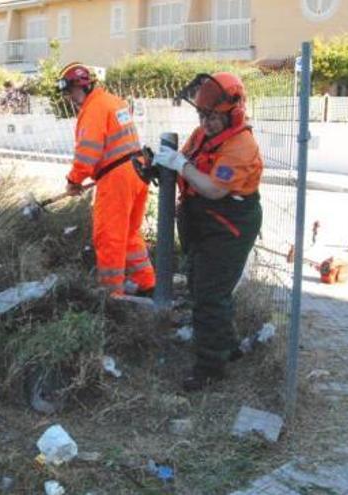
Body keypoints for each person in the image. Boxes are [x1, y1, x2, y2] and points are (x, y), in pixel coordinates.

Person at [153, 72, 263, 391]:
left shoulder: (241, 145)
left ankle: (210, 367)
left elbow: (214, 189)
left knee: (209, 297)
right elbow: (186, 157)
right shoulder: (203, 135)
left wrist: (180, 166)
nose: (206, 122)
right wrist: (161, 164)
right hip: (203, 219)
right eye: (202, 115)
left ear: (234, 112)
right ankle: (227, 348)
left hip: (228, 224)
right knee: (203, 287)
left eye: (213, 116)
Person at [58, 62, 155, 297]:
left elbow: (87, 153)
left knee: (109, 236)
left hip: (117, 179)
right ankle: (148, 283)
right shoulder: (114, 102)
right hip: (138, 170)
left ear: (81, 86)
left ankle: (112, 295)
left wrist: (74, 180)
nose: (70, 98)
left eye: (70, 92)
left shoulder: (93, 110)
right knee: (130, 233)